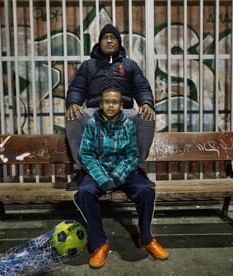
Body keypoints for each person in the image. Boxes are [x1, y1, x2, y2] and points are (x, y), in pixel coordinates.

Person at [73, 88, 169, 269]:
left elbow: (132, 156)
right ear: (101, 104)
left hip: (123, 170)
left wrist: (117, 176)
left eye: (114, 102)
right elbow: (86, 156)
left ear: (121, 105)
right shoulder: (92, 124)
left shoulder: (128, 125)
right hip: (99, 170)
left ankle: (146, 238)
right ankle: (100, 243)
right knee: (84, 193)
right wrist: (102, 178)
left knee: (145, 190)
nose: (110, 105)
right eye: (107, 101)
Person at [65, 24, 155, 191]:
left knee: (146, 117)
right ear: (99, 43)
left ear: (119, 43)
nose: (109, 40)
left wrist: (146, 103)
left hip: (124, 112)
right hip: (95, 111)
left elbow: (142, 87)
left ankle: (139, 168)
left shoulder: (130, 65)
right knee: (74, 116)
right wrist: (73, 103)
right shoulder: (88, 65)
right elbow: (76, 87)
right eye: (105, 38)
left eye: (113, 37)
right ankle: (82, 171)